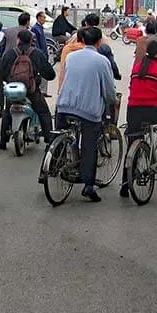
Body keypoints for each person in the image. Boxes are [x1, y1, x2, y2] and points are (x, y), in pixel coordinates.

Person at [56, 27, 117, 202]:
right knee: (90, 145)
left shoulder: (72, 56)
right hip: (88, 111)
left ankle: (53, 164)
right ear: (98, 42)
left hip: (64, 105)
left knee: (60, 135)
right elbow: (109, 92)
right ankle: (88, 185)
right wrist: (111, 100)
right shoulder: (101, 61)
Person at [123, 40, 157, 197]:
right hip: (152, 111)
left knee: (132, 143)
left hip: (132, 110)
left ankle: (125, 186)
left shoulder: (137, 66)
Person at [0, 29, 56, 151]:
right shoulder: (37, 54)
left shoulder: (9, 54)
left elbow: (1, 73)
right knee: (43, 112)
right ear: (31, 41)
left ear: (18, 40)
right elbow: (50, 74)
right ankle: (49, 139)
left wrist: (9, 80)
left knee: (8, 111)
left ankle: (3, 141)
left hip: (14, 90)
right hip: (31, 90)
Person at [31, 11, 50, 95]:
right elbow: (36, 43)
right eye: (43, 17)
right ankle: (40, 90)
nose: (44, 19)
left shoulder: (40, 28)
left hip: (43, 52)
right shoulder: (35, 28)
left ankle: (43, 91)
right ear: (39, 17)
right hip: (40, 53)